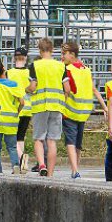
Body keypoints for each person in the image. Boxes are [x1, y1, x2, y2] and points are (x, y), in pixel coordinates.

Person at [61, 41, 107, 180]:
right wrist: (104, 106)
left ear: (72, 54)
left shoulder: (67, 69)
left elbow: (67, 90)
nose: (62, 56)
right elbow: (93, 89)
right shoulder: (86, 69)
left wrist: (61, 105)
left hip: (69, 111)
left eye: (64, 53)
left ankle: (75, 171)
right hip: (83, 113)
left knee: (70, 141)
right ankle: (76, 169)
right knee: (78, 143)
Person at [26, 37, 66, 177]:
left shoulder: (35, 66)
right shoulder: (61, 66)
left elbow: (33, 86)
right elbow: (67, 88)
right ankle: (50, 174)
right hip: (56, 106)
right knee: (52, 140)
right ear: (52, 50)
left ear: (39, 50)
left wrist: (27, 90)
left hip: (40, 106)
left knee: (38, 138)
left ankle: (41, 164)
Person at [0, 58, 23, 174]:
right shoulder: (13, 85)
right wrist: (17, 111)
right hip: (11, 120)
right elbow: (22, 102)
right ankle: (15, 167)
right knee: (12, 147)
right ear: (3, 69)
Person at [7, 46, 32, 171]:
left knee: (12, 137)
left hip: (15, 108)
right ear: (26, 58)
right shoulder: (29, 73)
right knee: (21, 136)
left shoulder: (9, 73)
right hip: (28, 109)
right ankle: (23, 163)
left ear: (14, 58)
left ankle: (21, 157)